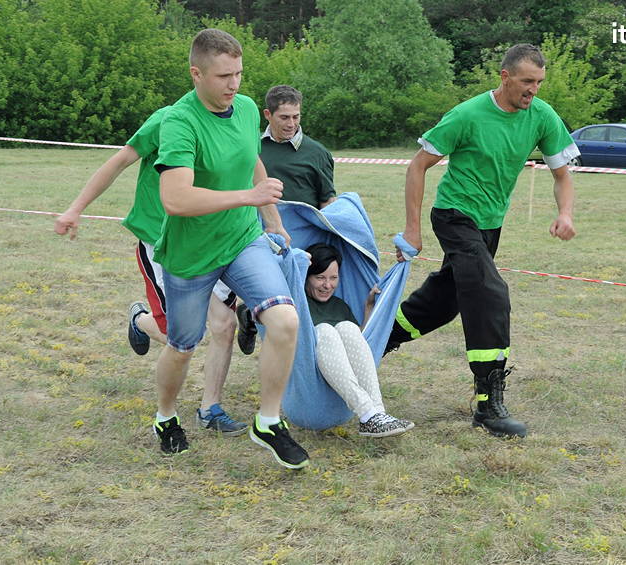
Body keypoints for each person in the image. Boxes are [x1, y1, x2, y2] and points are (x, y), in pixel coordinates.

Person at [385, 43, 579, 439]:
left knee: (445, 301)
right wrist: (412, 229)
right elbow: (418, 166)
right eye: (526, 81)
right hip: (454, 215)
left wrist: (565, 214)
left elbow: (562, 175)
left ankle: (374, 341)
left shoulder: (542, 116)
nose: (533, 90)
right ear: (505, 77)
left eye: (539, 82)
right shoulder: (467, 115)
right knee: (490, 293)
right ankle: (488, 404)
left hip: (490, 225)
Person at [152, 28, 309, 469]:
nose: (234, 85)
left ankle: (268, 421)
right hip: (191, 253)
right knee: (182, 345)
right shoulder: (179, 122)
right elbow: (175, 199)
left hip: (242, 239)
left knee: (285, 320)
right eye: (224, 76)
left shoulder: (245, 109)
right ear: (196, 74)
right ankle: (166, 416)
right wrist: (248, 197)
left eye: (238, 74)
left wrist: (271, 218)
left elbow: (249, 159)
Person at [53, 107, 248, 438]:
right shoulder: (168, 119)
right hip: (162, 243)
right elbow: (119, 161)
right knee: (181, 338)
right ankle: (140, 321)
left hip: (207, 242)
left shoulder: (233, 120)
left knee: (225, 324)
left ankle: (210, 409)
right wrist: (75, 208)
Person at [234, 84, 338, 355]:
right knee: (271, 293)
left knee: (294, 304)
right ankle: (251, 317)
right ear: (267, 114)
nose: (292, 123)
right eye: (284, 117)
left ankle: (253, 319)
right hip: (258, 234)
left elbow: (327, 200)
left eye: (296, 116)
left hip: (302, 241)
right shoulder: (252, 147)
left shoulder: (317, 153)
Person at [304, 243, 414, 437]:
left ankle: (377, 412)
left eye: (333, 278)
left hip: (342, 374)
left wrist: (369, 306)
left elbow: (358, 344)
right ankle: (367, 412)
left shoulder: (339, 306)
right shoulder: (297, 304)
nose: (327, 285)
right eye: (320, 278)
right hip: (308, 374)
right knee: (325, 331)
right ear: (306, 276)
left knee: (347, 327)